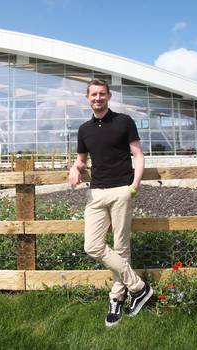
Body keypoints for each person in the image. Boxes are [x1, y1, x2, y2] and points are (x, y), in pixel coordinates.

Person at [68, 78, 153, 327]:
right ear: (87, 98)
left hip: (121, 191)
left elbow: (138, 154)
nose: (98, 98)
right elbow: (82, 160)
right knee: (92, 246)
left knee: (120, 245)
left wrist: (134, 186)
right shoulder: (84, 129)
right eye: (93, 94)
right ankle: (138, 287)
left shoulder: (124, 121)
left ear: (109, 96)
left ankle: (116, 298)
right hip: (96, 194)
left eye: (102, 94)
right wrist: (75, 167)